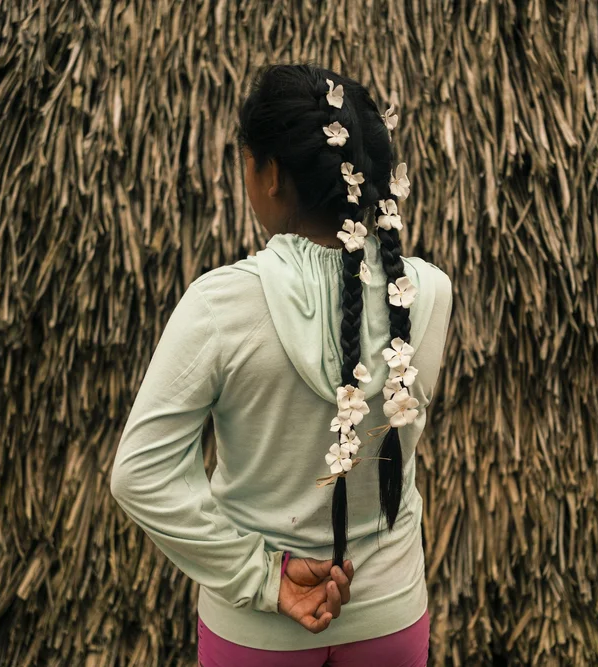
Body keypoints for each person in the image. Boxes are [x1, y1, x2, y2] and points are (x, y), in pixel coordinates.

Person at [109, 63, 453, 667]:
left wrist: (265, 577)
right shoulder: (429, 292)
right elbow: (397, 438)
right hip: (390, 613)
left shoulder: (219, 306)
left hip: (257, 631)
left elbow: (139, 475)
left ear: (270, 175)